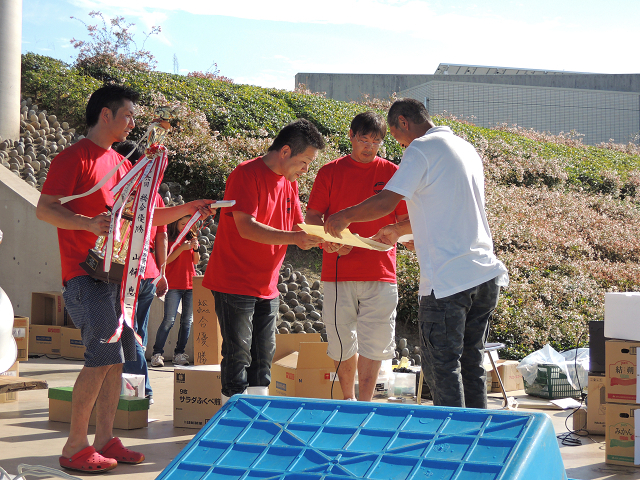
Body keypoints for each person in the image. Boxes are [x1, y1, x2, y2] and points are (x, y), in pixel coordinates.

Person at [36, 84, 217, 473]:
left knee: (118, 359)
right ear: (106, 114)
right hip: (85, 274)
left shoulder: (122, 163)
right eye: (128, 116)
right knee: (102, 355)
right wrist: (87, 223)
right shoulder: (73, 158)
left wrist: (189, 208)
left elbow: (147, 218)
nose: (133, 123)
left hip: (119, 278)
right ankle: (74, 445)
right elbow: (45, 209)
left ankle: (105, 439)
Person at [324, 98, 508, 409]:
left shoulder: (421, 148)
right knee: (471, 364)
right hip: (484, 274)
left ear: (403, 122)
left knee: (442, 368)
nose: (400, 144)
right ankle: (477, 433)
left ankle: (451, 435)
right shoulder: (465, 148)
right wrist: (399, 231)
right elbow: (447, 208)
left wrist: (345, 216)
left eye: (396, 136)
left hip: (448, 281)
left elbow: (385, 202)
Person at [202, 118, 325, 403]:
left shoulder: (289, 183)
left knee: (263, 357)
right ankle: (231, 418)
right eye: (304, 162)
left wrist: (327, 239)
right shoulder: (246, 174)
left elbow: (298, 227)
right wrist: (295, 238)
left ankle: (258, 415)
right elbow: (246, 227)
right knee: (238, 354)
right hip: (234, 281)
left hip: (267, 285)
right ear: (285, 151)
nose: (306, 170)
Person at [305, 111, 408, 401]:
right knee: (340, 339)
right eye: (364, 140)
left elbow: (405, 221)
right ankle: (347, 399)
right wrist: (327, 241)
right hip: (338, 270)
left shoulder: (392, 173)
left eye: (376, 142)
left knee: (376, 342)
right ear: (351, 136)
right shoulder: (330, 172)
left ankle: (365, 403)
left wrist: (402, 236)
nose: (369, 147)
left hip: (381, 270)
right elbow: (312, 215)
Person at [114, 141, 168, 405]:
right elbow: (162, 238)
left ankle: (140, 391)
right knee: (138, 333)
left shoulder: (125, 191)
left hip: (128, 273)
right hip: (149, 273)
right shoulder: (153, 194)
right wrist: (162, 272)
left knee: (128, 333)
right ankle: (132, 388)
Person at [150, 215, 199, 367]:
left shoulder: (191, 238)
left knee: (187, 322)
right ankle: (157, 354)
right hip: (173, 285)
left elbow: (196, 261)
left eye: (188, 223)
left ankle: (179, 354)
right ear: (175, 224)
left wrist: (196, 248)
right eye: (182, 224)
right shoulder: (170, 239)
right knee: (169, 320)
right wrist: (181, 248)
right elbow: (166, 260)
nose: (185, 226)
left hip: (190, 285)